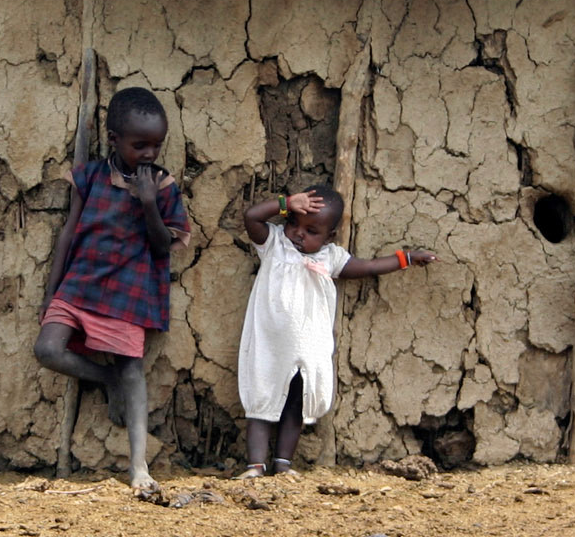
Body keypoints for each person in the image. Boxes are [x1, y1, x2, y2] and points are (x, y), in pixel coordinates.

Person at [34, 87, 190, 489]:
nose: (150, 154)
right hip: (80, 282)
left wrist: (149, 202)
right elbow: (68, 233)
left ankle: (139, 467)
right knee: (47, 349)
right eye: (140, 145)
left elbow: (162, 246)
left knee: (133, 369)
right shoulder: (89, 177)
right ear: (114, 139)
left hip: (128, 291)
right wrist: (52, 290)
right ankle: (106, 380)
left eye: (157, 145)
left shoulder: (162, 185)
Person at [237, 185, 435, 478]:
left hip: (307, 349)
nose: (299, 233)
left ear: (329, 237)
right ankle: (255, 466)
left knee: (296, 404)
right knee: (261, 400)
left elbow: (368, 267)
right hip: (269, 346)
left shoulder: (330, 258)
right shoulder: (275, 244)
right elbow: (251, 218)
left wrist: (405, 258)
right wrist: (287, 203)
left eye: (312, 230)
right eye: (294, 222)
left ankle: (283, 465)